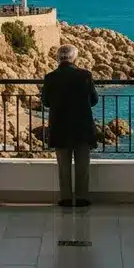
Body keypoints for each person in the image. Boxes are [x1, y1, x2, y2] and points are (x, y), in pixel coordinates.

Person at [41, 45, 98, 208]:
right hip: (82, 126)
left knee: (63, 165)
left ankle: (65, 198)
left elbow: (45, 102)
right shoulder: (85, 75)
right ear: (75, 58)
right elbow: (94, 100)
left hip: (60, 126)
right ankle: (82, 198)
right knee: (82, 165)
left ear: (58, 59)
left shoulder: (50, 77)